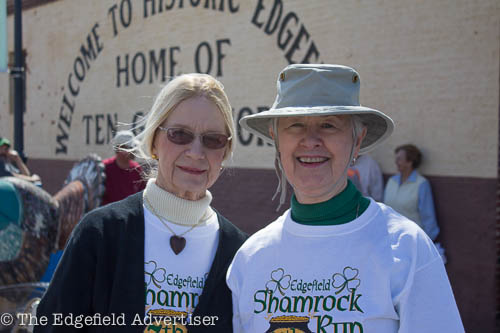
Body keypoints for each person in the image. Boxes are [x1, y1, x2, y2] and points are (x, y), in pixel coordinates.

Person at [227, 64, 464, 332]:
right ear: (276, 139)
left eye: (329, 125)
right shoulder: (251, 258)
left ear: (357, 140)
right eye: (295, 125)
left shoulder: (406, 247)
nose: (311, 140)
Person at [35, 73, 248, 332]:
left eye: (212, 139)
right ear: (154, 141)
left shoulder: (240, 253)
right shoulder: (100, 235)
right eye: (179, 134)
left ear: (225, 151)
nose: (196, 152)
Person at [384, 144, 440, 241]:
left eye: (399, 159)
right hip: (391, 237)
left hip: (412, 239)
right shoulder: (391, 181)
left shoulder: (421, 184)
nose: (396, 162)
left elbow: (428, 217)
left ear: (410, 162)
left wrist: (427, 242)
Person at [101, 130, 145, 205]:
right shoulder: (105, 168)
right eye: (129, 148)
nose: (133, 151)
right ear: (119, 148)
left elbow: (142, 195)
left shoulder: (137, 169)